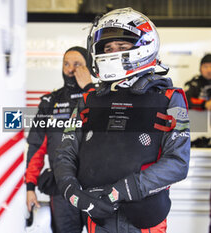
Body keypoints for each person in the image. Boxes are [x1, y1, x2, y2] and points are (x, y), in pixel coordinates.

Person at [53, 8, 190, 233]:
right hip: (97, 216)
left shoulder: (169, 99)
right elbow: (65, 153)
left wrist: (120, 191)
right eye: (107, 48)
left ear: (143, 46)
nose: (113, 52)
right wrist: (72, 192)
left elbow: (178, 163)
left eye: (122, 46)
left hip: (144, 218)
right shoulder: (89, 100)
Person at [25, 46, 95, 233]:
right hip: (62, 188)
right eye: (66, 64)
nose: (71, 69)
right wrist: (30, 187)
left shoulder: (100, 99)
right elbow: (36, 147)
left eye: (77, 64)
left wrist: (90, 90)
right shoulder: (50, 102)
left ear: (89, 67)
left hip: (97, 189)